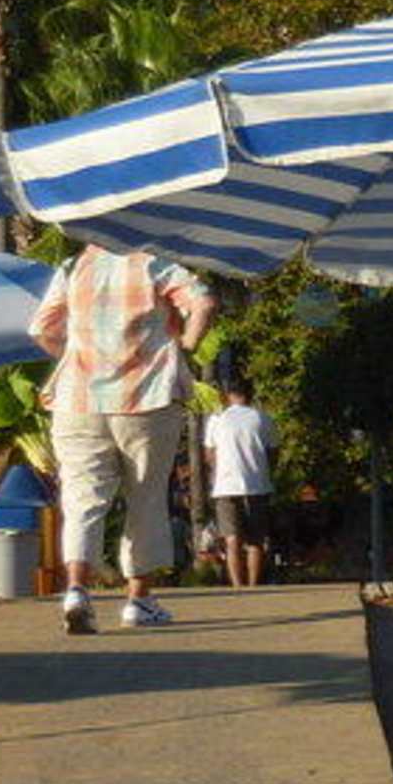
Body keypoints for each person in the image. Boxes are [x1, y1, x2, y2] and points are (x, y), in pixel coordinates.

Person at [27, 244, 215, 633]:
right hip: (147, 397)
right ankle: (139, 600)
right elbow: (204, 302)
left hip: (78, 400)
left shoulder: (72, 267)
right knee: (146, 497)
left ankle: (76, 590)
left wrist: (78, 356)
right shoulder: (156, 264)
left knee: (81, 499)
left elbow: (42, 329)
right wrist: (186, 345)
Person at [203, 372, 277, 587]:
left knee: (232, 539)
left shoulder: (217, 419)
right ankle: (253, 585)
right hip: (257, 484)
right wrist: (264, 470)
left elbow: (210, 454)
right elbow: (273, 451)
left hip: (226, 486)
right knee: (256, 540)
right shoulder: (262, 418)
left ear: (228, 395)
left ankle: (237, 586)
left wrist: (218, 472)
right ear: (250, 394)